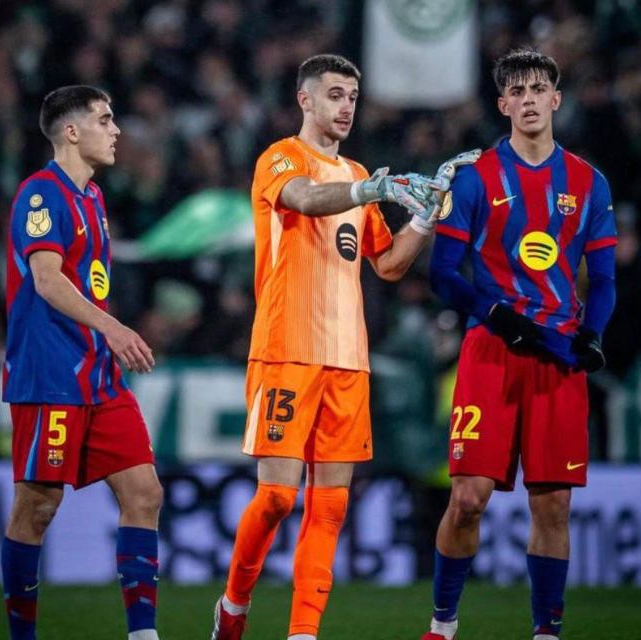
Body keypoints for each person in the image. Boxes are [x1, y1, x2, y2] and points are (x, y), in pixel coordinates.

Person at [210, 53, 478, 640]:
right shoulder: (282, 157)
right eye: (334, 95)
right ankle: (233, 605)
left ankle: (303, 633)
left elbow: (388, 265)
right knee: (277, 497)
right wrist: (369, 188)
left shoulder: (356, 173)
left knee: (329, 506)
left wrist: (425, 218)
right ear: (304, 99)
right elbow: (306, 199)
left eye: (352, 97)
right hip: (287, 348)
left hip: (348, 360)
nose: (346, 107)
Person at [419, 49, 618, 640]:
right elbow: (442, 273)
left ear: (556, 98)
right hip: (491, 350)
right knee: (469, 498)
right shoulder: (476, 177)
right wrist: (494, 313)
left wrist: (593, 335)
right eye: (517, 91)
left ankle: (545, 632)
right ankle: (443, 625)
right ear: (503, 104)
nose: (528, 99)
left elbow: (605, 279)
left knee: (553, 505)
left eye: (538, 89)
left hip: (558, 357)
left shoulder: (588, 182)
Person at [1, 85, 163, 640]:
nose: (116, 130)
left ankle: (143, 635)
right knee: (37, 507)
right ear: (71, 132)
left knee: (144, 493)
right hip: (51, 375)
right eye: (105, 119)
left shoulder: (92, 197)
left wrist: (106, 337)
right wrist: (113, 327)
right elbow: (47, 281)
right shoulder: (40, 195)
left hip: (100, 376)